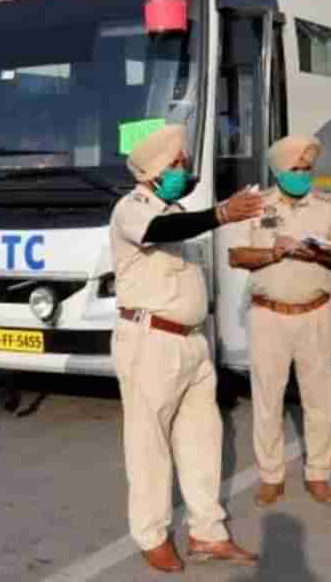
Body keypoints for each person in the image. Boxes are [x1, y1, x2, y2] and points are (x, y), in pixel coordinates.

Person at [109, 124, 264, 573]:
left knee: (203, 439)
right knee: (148, 445)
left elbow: (180, 222)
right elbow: (163, 227)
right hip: (150, 342)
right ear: (154, 171)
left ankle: (207, 532)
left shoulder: (176, 206)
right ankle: (151, 535)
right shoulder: (132, 209)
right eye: (176, 164)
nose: (184, 169)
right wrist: (219, 213)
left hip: (191, 343)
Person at [227, 134, 331, 508]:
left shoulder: (327, 206)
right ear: (280, 171)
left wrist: (320, 255)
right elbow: (237, 256)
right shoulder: (256, 206)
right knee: (268, 400)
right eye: (295, 169)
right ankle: (271, 477)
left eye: (307, 169)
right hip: (269, 315)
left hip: (316, 312)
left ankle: (318, 474)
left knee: (319, 399)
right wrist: (274, 250)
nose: (302, 175)